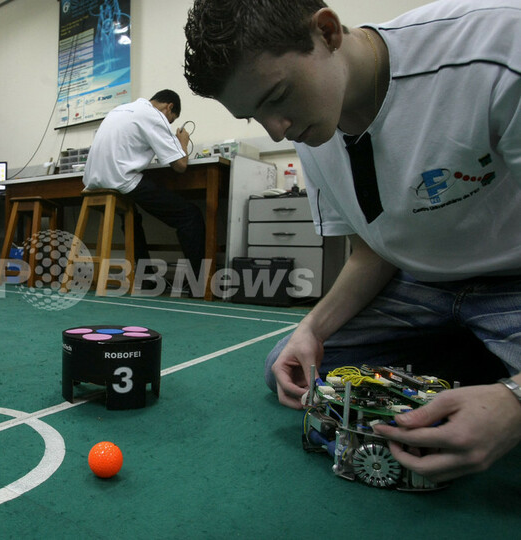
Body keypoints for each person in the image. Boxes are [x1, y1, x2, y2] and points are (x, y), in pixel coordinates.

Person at [184, 0, 521, 482]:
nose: (276, 130)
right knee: (290, 368)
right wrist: (312, 329)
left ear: (327, 32)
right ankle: (483, 358)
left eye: (277, 96)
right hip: (421, 286)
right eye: (254, 116)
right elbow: (375, 245)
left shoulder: (498, 52)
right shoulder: (312, 130)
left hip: (511, 282)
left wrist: (515, 401)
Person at [82, 90, 205, 293]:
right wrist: (182, 141)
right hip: (121, 180)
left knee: (132, 216)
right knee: (190, 216)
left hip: (93, 182)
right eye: (171, 120)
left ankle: (146, 280)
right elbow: (180, 165)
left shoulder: (120, 109)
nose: (169, 123)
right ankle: (197, 286)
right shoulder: (154, 115)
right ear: (169, 107)